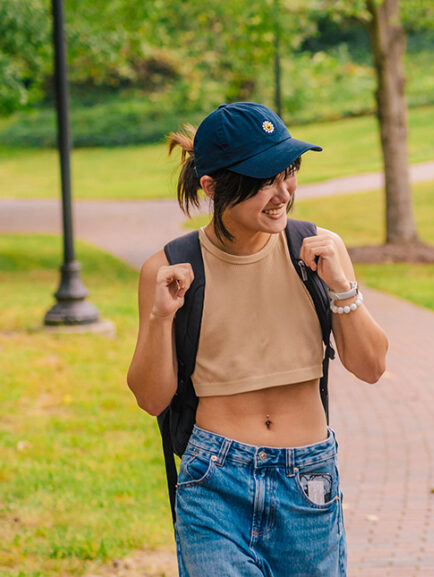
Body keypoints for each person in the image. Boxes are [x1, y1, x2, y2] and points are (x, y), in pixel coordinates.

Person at [127, 102, 388, 576]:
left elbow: (371, 367)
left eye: (289, 171)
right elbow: (150, 398)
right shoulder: (169, 268)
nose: (283, 193)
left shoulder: (317, 250)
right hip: (214, 484)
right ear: (212, 186)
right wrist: (161, 318)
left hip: (307, 481)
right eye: (263, 179)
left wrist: (343, 289)